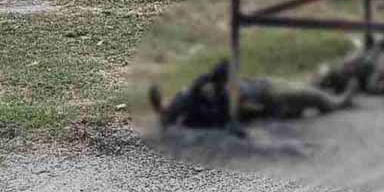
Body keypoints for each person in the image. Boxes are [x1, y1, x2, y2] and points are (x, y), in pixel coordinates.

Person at [149, 60, 358, 132]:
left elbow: (175, 108)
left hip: (261, 87)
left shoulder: (195, 95)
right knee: (310, 96)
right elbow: (249, 111)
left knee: (304, 91)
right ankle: (337, 102)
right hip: (268, 94)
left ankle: (329, 91)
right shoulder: (210, 99)